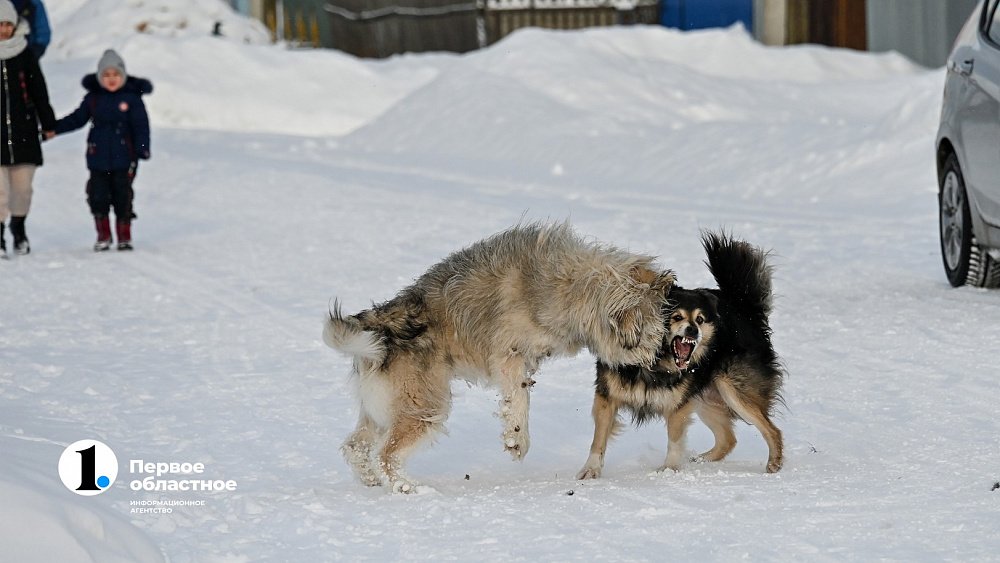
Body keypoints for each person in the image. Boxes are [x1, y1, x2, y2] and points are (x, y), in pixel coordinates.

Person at [51, 49, 152, 251]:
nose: (111, 79)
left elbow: (141, 126)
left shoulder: (132, 99)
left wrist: (142, 149)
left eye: (115, 75)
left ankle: (124, 235)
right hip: (98, 158)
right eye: (106, 75)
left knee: (122, 196)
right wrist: (53, 129)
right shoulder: (94, 99)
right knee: (98, 196)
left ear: (123, 76)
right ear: (99, 78)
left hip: (124, 158)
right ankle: (103, 234)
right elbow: (77, 119)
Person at [0, 0, 55, 258]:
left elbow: (39, 92)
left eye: (8, 24)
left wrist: (48, 123)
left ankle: (19, 230)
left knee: (22, 189)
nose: (3, 30)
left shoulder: (26, 55)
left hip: (24, 131)